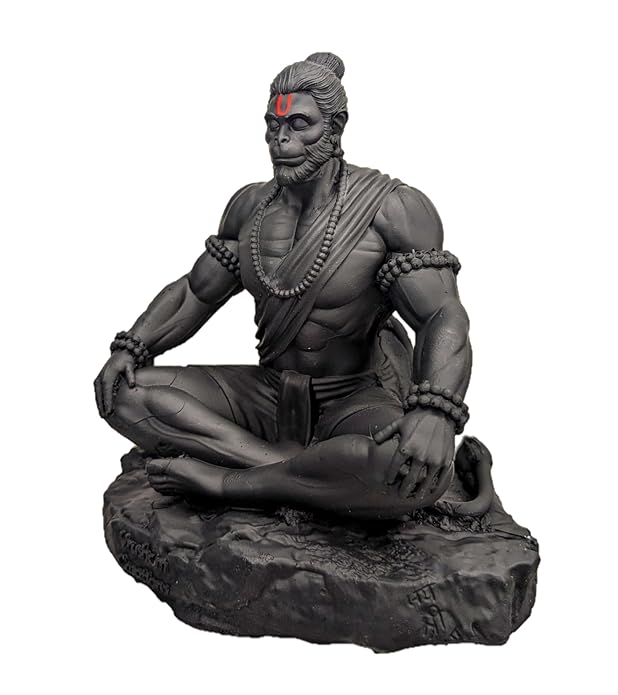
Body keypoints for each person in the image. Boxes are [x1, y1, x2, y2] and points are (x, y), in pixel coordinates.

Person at [94, 52, 475, 520]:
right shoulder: (249, 207)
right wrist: (133, 346)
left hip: (353, 401)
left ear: (336, 127)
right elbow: (196, 292)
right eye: (273, 126)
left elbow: (441, 315)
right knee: (122, 392)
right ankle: (298, 473)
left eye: (299, 124)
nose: (282, 139)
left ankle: (227, 480)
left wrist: (436, 413)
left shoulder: (392, 209)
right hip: (268, 396)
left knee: (407, 468)